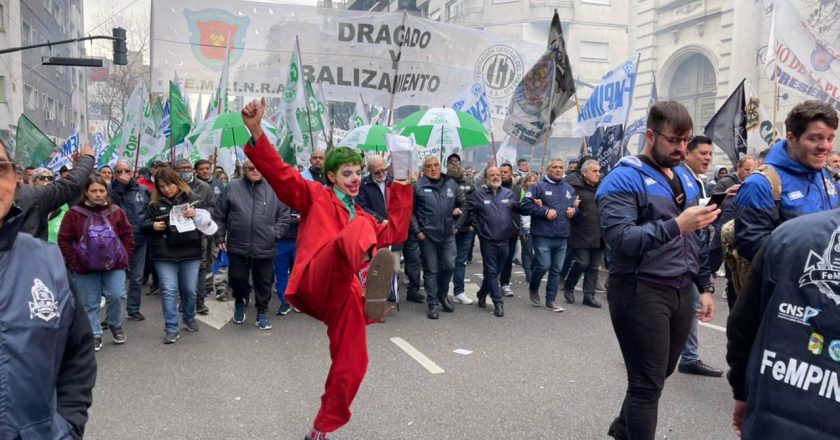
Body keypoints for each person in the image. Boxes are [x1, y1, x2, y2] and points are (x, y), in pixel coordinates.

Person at [240, 98, 413, 440]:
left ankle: (320, 429)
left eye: (358, 173)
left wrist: (404, 184)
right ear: (332, 176)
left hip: (346, 294)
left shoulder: (362, 215)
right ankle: (372, 270)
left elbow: (395, 232)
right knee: (360, 232)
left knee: (354, 365)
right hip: (315, 278)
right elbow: (280, 173)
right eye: (347, 173)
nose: (354, 179)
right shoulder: (315, 195)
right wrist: (256, 129)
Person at [596, 101, 719, 440]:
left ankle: (623, 428)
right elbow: (620, 240)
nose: (682, 149)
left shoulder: (684, 177)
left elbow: (696, 237)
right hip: (639, 289)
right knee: (646, 386)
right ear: (650, 135)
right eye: (674, 141)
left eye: (686, 141)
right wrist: (676, 225)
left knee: (659, 374)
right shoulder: (623, 178)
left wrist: (704, 285)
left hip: (680, 289)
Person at [0, 138, 97, 440]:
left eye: (0, 169)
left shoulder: (47, 263)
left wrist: (66, 425)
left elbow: (77, 351)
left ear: (16, 180)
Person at [726, 208, 840, 439]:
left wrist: (742, 391)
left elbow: (742, 326)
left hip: (771, 414)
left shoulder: (789, 233)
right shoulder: (787, 232)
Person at [735, 100, 839, 263]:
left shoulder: (829, 176)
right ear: (791, 138)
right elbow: (754, 247)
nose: (825, 146)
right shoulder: (760, 185)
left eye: (829, 138)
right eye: (815, 139)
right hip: (788, 284)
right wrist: (815, 262)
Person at [58, 176, 135, 352]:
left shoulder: (116, 211)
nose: (98, 194)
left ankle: (115, 325)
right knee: (89, 303)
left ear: (106, 192)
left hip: (115, 265)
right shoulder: (74, 214)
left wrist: (124, 257)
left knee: (117, 296)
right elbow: (64, 240)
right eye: (93, 191)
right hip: (85, 268)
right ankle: (94, 333)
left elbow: (128, 236)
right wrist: (75, 262)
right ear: (85, 192)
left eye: (101, 190)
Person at [214, 159, 290, 330]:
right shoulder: (232, 187)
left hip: (265, 246)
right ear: (244, 170)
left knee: (263, 282)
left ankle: (262, 312)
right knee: (237, 279)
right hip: (237, 245)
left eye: (259, 167)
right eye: (250, 168)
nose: (255, 171)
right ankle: (240, 301)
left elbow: (284, 215)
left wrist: (275, 233)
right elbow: (219, 215)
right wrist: (220, 237)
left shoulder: (274, 188)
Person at [142, 168, 214, 344]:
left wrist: (196, 215)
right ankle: (171, 328)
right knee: (169, 290)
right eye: (162, 186)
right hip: (164, 253)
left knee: (190, 289)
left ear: (177, 182)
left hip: (190, 251)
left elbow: (207, 223)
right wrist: (153, 226)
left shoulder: (194, 199)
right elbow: (142, 225)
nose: (167, 189)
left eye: (170, 185)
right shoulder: (153, 204)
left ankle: (189, 316)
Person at [673, 137, 724, 377]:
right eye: (703, 153)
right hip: (680, 257)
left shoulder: (698, 182)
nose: (707, 158)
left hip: (693, 255)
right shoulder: (679, 179)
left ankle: (685, 356)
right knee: (679, 307)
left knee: (686, 306)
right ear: (687, 154)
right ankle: (686, 357)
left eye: (710, 154)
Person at [459, 166, 524, 317]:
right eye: (492, 175)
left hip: (505, 240)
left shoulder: (509, 193)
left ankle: (482, 294)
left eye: (498, 175)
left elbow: (521, 208)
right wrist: (457, 227)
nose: (496, 177)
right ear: (486, 179)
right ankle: (498, 302)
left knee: (495, 272)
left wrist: (538, 207)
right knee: (491, 271)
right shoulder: (478, 194)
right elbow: (466, 210)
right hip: (488, 240)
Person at [521, 158, 578, 312]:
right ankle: (533, 286)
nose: (558, 170)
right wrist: (544, 211)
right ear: (548, 170)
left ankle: (551, 300)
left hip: (562, 236)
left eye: (561, 167)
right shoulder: (538, 187)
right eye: (555, 167)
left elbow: (575, 207)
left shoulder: (569, 188)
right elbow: (524, 205)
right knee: (544, 265)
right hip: (543, 235)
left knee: (556, 269)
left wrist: (574, 211)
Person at [411, 155, 465, 319]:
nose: (433, 169)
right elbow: (410, 212)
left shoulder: (451, 183)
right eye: (429, 166)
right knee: (431, 270)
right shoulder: (418, 186)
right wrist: (417, 231)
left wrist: (456, 225)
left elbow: (464, 204)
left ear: (440, 166)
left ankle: (443, 294)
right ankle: (433, 303)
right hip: (427, 236)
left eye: (435, 165)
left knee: (449, 266)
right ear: (424, 169)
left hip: (448, 234)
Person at [14, 141, 94, 241]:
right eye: (42, 178)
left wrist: (78, 166)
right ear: (33, 181)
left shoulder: (62, 205)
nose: (46, 180)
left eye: (50, 178)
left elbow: (72, 188)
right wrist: (87, 158)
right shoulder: (30, 196)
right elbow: (72, 184)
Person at [109, 159, 152, 321]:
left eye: (126, 171)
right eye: (119, 171)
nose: (123, 174)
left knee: (136, 277)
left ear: (132, 172)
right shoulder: (108, 190)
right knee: (114, 279)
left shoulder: (142, 190)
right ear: (114, 174)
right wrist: (118, 190)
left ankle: (133, 309)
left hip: (138, 240)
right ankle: (111, 314)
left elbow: (149, 212)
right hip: (114, 241)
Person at [174, 159, 215, 315]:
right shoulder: (172, 186)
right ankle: (184, 300)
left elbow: (212, 207)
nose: (185, 171)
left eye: (188, 168)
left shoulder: (204, 187)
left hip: (199, 233)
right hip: (179, 234)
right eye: (181, 169)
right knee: (181, 267)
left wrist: (198, 213)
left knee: (201, 267)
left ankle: (199, 301)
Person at [562, 159, 604, 308]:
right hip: (581, 233)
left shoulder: (603, 187)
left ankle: (589, 296)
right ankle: (569, 285)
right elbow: (565, 207)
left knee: (593, 267)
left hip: (599, 233)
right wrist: (571, 209)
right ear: (584, 173)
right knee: (581, 262)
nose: (598, 174)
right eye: (594, 171)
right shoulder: (574, 188)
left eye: (599, 171)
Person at [448, 153, 476, 305]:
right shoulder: (443, 182)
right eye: (451, 162)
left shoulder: (469, 184)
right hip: (447, 229)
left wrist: (473, 224)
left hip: (466, 230)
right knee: (446, 262)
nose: (454, 164)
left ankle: (459, 291)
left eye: (457, 161)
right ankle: (442, 290)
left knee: (461, 261)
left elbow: (474, 205)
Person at [498, 163, 522, 297]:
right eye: (500, 171)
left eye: (505, 172)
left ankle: (505, 283)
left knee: (508, 258)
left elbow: (521, 208)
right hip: (495, 230)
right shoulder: (492, 188)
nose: (502, 174)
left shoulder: (517, 189)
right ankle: (491, 280)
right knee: (495, 258)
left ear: (511, 174)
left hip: (512, 229)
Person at [519, 172, 539, 282]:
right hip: (525, 228)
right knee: (527, 251)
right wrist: (524, 229)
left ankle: (531, 269)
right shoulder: (522, 193)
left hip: (538, 228)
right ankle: (528, 274)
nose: (531, 183)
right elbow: (522, 213)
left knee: (537, 253)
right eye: (529, 180)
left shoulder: (541, 194)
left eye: (534, 180)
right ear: (525, 182)